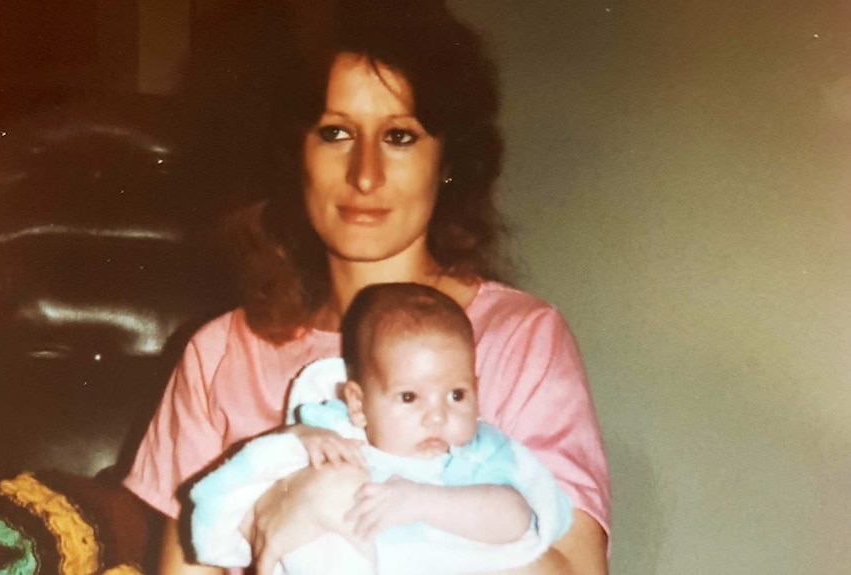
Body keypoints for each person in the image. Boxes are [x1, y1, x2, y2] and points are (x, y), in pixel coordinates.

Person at [122, 1, 611, 574]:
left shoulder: (521, 339)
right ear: (293, 153)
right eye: (335, 133)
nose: (365, 173)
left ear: (447, 159)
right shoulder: (218, 354)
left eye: (400, 136)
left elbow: (574, 569)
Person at [186, 283, 573, 574]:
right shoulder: (333, 437)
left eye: (456, 395)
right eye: (409, 398)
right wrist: (299, 439)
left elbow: (519, 518)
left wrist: (423, 501)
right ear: (358, 404)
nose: (437, 417)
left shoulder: (478, 453)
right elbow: (256, 475)